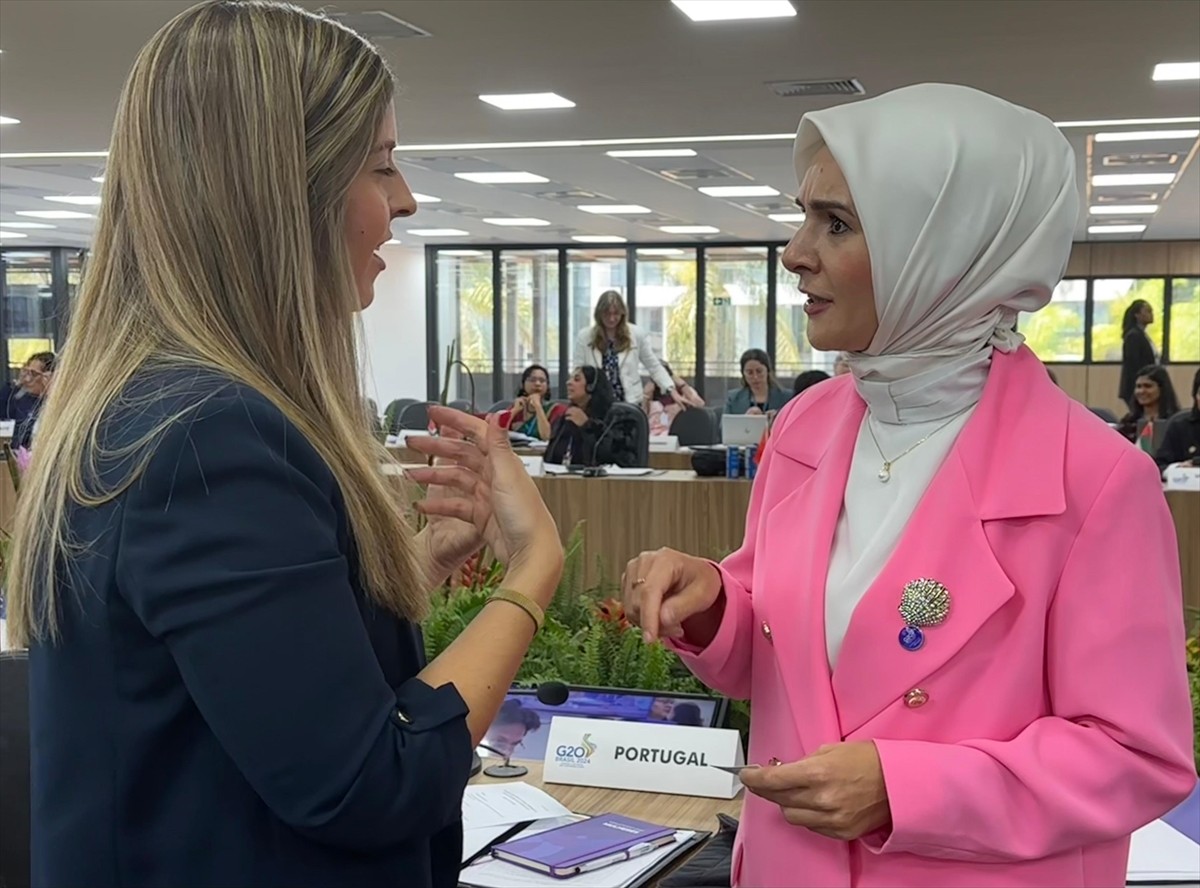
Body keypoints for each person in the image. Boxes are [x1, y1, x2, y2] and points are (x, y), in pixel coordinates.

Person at [4, 4, 564, 887]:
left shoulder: (160, 410)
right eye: (380, 166)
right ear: (282, 194)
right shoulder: (209, 438)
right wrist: (532, 570)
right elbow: (371, 784)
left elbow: (256, 674)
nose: (408, 199)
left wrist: (403, 571)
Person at [621, 83, 1194, 888]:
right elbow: (786, 662)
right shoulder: (806, 428)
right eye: (804, 215)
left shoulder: (1097, 482)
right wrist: (712, 601)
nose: (794, 251)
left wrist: (904, 789)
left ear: (947, 247)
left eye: (837, 224)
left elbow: (1135, 758)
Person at [574, 290, 677, 406]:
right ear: (599, 314)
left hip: (629, 402)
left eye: (616, 313)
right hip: (595, 404)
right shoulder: (585, 337)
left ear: (623, 313)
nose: (612, 318)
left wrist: (671, 390)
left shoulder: (637, 334)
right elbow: (577, 372)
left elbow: (653, 366)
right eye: (607, 314)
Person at [545, 366, 637, 468]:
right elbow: (551, 456)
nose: (568, 382)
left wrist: (587, 425)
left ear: (591, 386)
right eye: (570, 378)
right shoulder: (568, 416)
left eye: (576, 379)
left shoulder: (617, 417)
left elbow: (618, 457)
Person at [1, 351, 55, 449]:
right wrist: (15, 385)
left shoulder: (52, 406)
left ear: (47, 377)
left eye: (34, 374)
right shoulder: (22, 398)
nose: (27, 379)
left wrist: (51, 391)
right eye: (26, 371)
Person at [1117, 364, 1181, 442]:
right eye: (1138, 386)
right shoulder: (1128, 422)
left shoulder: (1176, 422)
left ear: (1162, 389)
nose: (1141, 391)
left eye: (1148, 386)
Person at [1155, 368, 1200, 474]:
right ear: (1195, 396)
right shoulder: (1180, 427)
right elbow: (1160, 465)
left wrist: (1196, 463)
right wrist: (1177, 469)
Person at [505, 364, 565, 440]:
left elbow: (546, 437)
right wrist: (514, 411)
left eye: (542, 381)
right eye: (532, 380)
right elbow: (496, 432)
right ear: (523, 384)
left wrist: (538, 407)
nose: (537, 384)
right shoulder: (517, 407)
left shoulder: (557, 410)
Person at [642, 361, 704, 436]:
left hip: (675, 436)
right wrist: (646, 396)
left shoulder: (682, 394)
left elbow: (700, 404)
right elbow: (641, 417)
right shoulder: (650, 397)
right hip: (652, 437)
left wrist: (683, 386)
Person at [725, 348, 790, 417]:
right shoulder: (733, 398)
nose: (755, 377)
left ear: (767, 371)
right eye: (750, 373)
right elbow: (725, 426)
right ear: (743, 374)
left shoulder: (786, 398)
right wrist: (744, 420)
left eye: (759, 371)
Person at [1119, 299, 1157, 410]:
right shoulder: (1133, 336)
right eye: (1147, 311)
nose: (1151, 314)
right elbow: (1134, 365)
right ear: (1137, 315)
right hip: (1136, 387)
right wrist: (1142, 386)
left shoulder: (1142, 335)